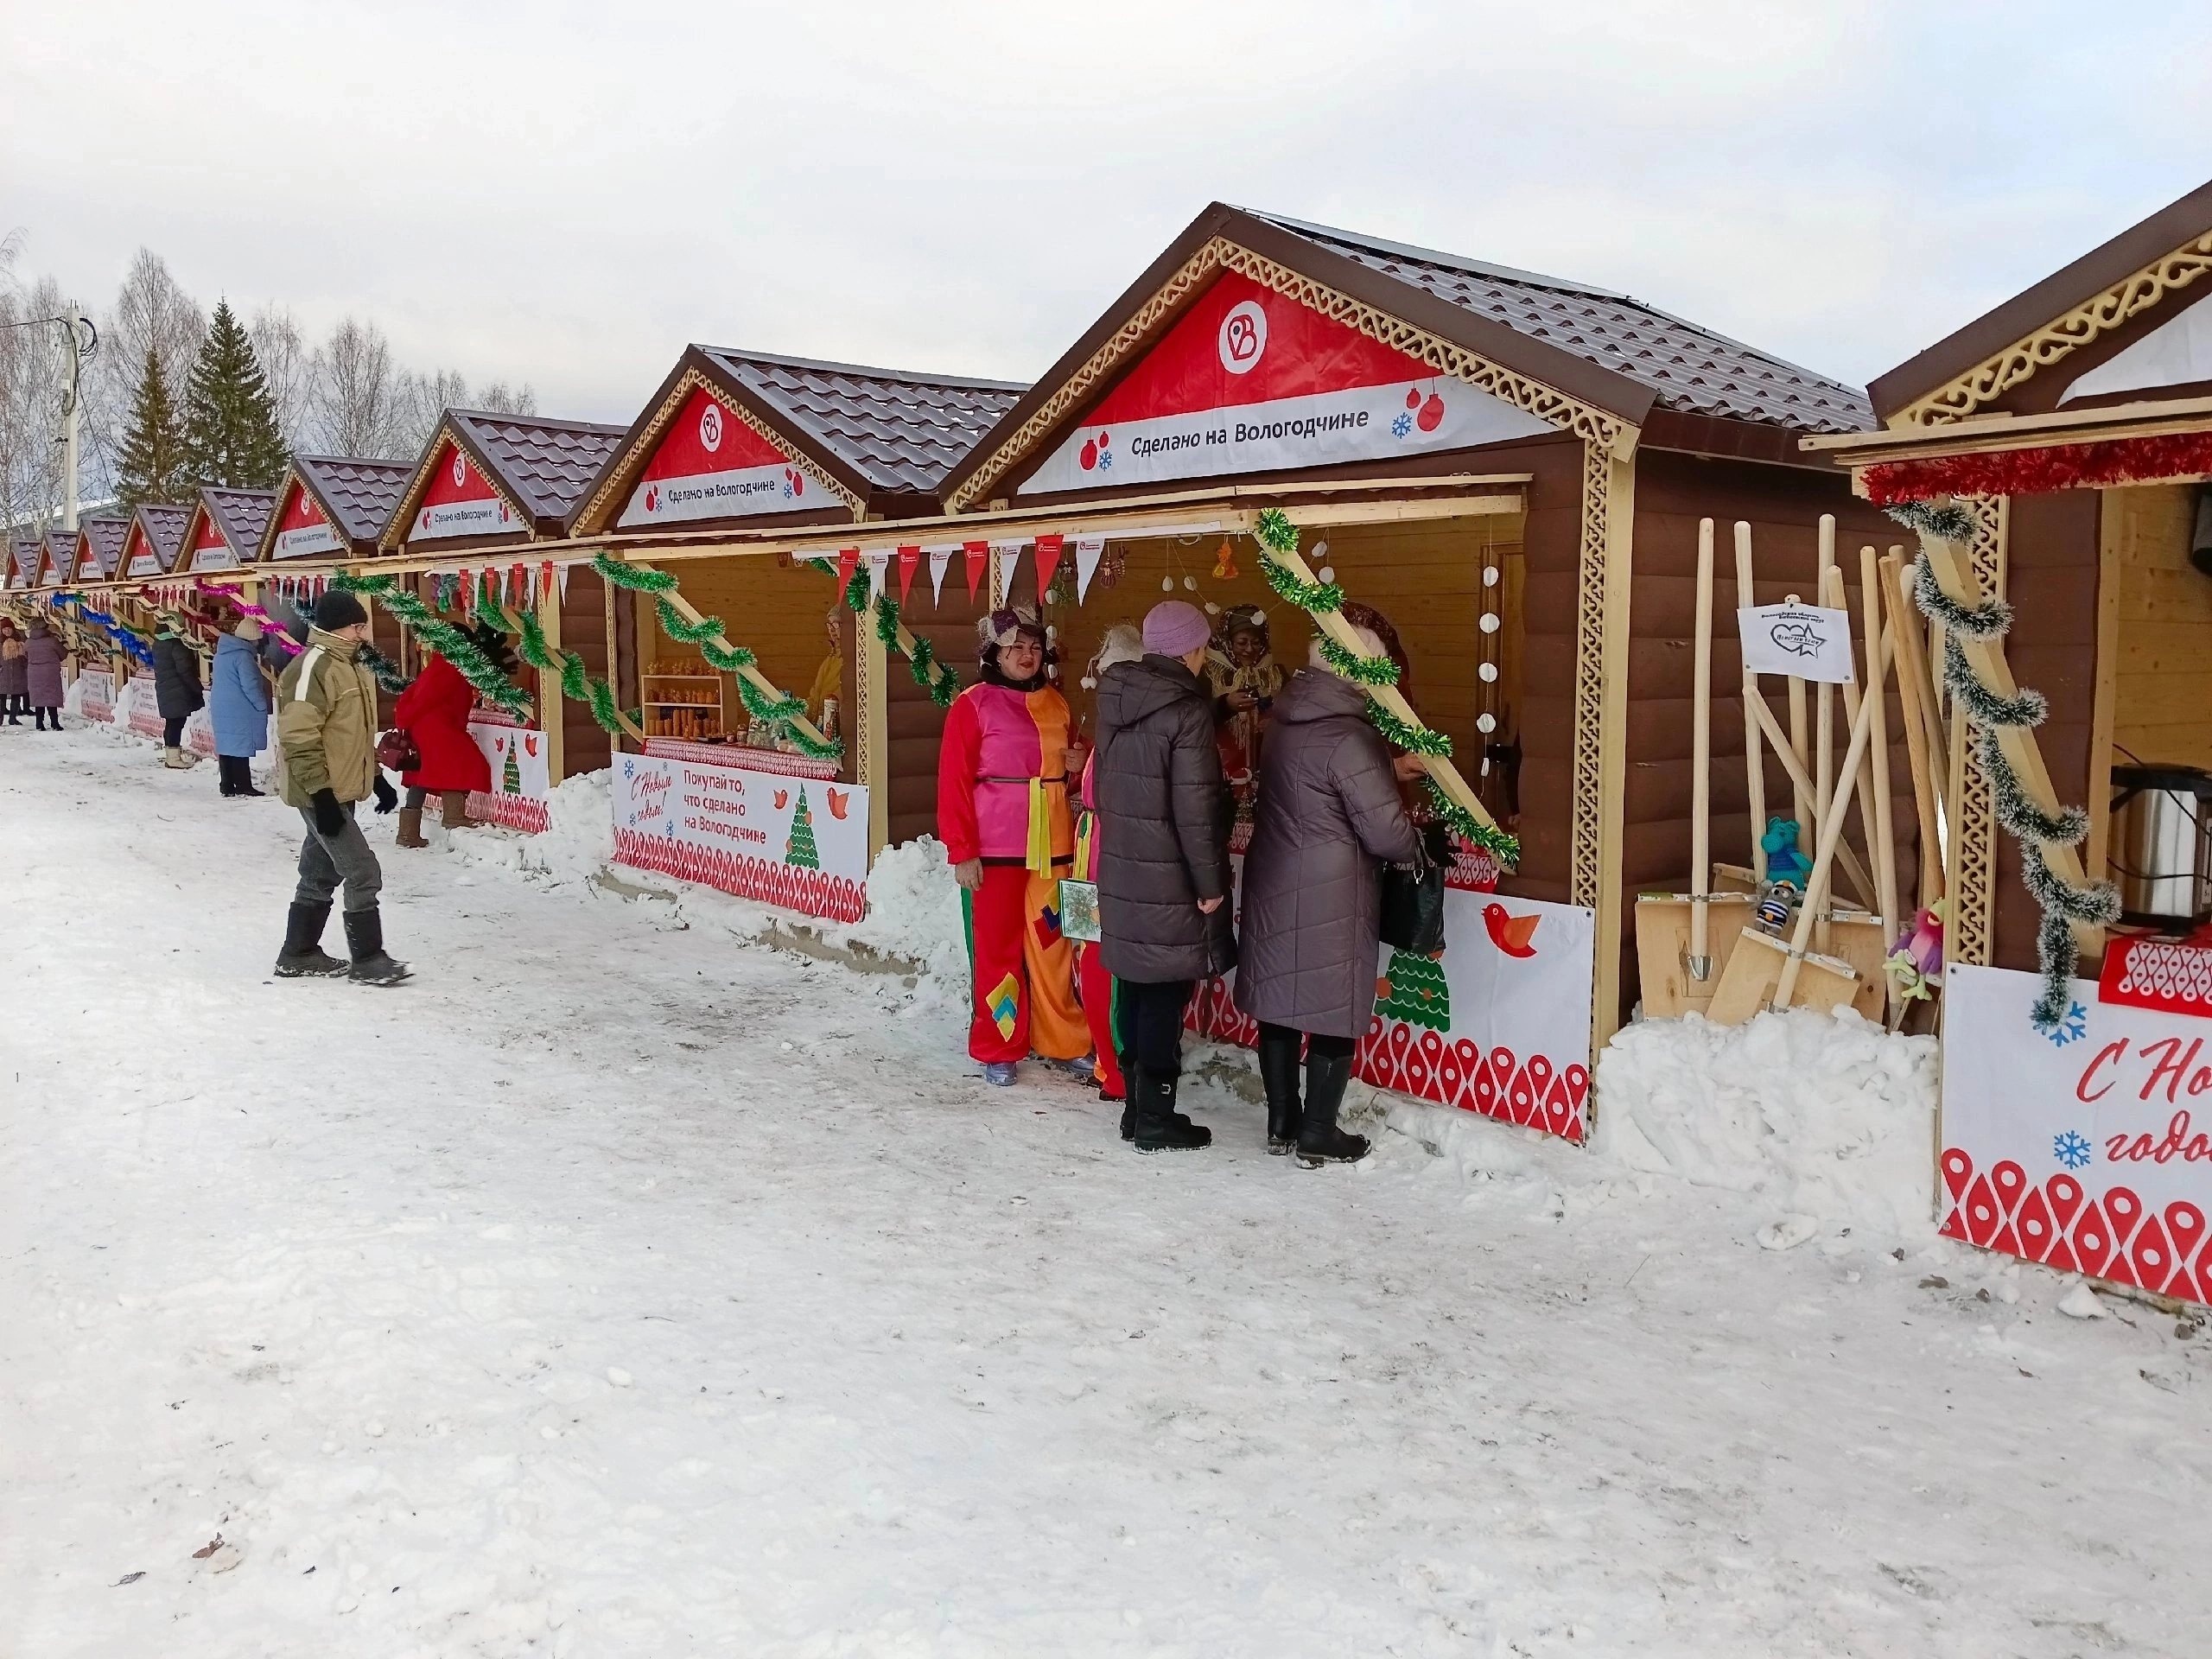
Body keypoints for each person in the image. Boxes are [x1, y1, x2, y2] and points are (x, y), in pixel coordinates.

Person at [1234, 620, 1425, 1166]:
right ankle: (1319, 1130)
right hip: (1333, 890)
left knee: (1279, 1003)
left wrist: (1384, 769)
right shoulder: (1350, 734)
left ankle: (1281, 1124)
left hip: (1276, 875)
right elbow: (1386, 833)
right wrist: (1417, 846)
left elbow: (1311, 780)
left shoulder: (1288, 719)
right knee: (1331, 1007)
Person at [1095, 601, 1236, 1153]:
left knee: (1135, 983)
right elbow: (1195, 810)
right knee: (1163, 994)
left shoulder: (1115, 698)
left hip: (1126, 867)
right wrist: (1209, 886)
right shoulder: (1186, 711)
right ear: (1193, 649)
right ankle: (1155, 1115)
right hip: (1170, 877)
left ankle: (1137, 1108)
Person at [937, 604, 1090, 1087]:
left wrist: (1077, 762)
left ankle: (1064, 1039)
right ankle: (998, 1045)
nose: (1027, 655)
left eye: (1034, 647)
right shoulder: (972, 704)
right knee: (997, 946)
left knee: (1053, 943)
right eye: (1016, 647)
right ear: (995, 654)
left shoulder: (1058, 703)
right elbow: (953, 782)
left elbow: (1075, 774)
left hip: (1054, 847)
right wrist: (962, 850)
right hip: (997, 849)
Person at [272, 588, 408, 985]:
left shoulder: (350, 665)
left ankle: (298, 953)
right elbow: (299, 736)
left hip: (338, 789)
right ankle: (368, 960)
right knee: (362, 871)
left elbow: (350, 734)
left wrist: (377, 778)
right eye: (356, 626)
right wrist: (321, 796)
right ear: (336, 628)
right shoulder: (312, 668)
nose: (362, 634)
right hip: (320, 791)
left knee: (320, 874)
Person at [1071, 624, 1145, 1109]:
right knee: (1107, 965)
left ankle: (1106, 1060)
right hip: (1109, 857)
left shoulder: (1108, 723)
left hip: (1089, 850)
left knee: (1091, 960)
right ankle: (1115, 1066)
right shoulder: (1134, 725)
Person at [389, 624, 503, 849]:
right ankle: (453, 817)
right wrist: (406, 719)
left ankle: (407, 833)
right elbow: (424, 698)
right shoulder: (448, 666)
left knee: (422, 775)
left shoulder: (442, 663)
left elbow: (414, 695)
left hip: (431, 727)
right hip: (437, 728)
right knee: (461, 764)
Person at [1206, 603, 1285, 825]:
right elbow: (1194, 718)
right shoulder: (1208, 673)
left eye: (1257, 642)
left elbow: (1293, 714)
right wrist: (1225, 706)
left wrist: (1275, 723)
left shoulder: (1277, 674)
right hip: (1221, 779)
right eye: (1242, 642)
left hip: (1268, 779)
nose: (1249, 649)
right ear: (1227, 641)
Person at [209, 615, 271, 798]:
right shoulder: (244, 657)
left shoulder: (222, 654)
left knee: (227, 747)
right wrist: (261, 705)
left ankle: (227, 785)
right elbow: (250, 685)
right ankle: (244, 785)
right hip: (240, 708)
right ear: (252, 639)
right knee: (240, 748)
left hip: (222, 706)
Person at [152, 619, 205, 768]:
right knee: (176, 723)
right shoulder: (176, 646)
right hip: (178, 689)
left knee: (171, 723)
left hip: (166, 688)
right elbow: (185, 670)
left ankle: (172, 755)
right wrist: (196, 688)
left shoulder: (158, 644)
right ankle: (173, 758)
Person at [805, 607, 842, 742]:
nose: (831, 629)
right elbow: (815, 695)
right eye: (829, 624)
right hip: (820, 730)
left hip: (838, 733)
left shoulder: (851, 659)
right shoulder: (830, 658)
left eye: (836, 624)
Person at [22, 617, 65, 732]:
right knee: (51, 697)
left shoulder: (28, 642)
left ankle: (39, 724)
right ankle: (55, 723)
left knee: (38, 698)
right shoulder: (52, 641)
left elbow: (25, 655)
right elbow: (63, 654)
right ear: (45, 627)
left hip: (34, 673)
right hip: (50, 672)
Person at [0, 618, 27, 724]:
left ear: (13, 629)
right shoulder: (0, 643)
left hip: (17, 672)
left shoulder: (20, 642)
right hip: (3, 673)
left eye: (9, 628)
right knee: (1, 697)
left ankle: (13, 718)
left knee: (16, 696)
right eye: (4, 629)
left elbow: (25, 657)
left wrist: (23, 667)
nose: (6, 631)